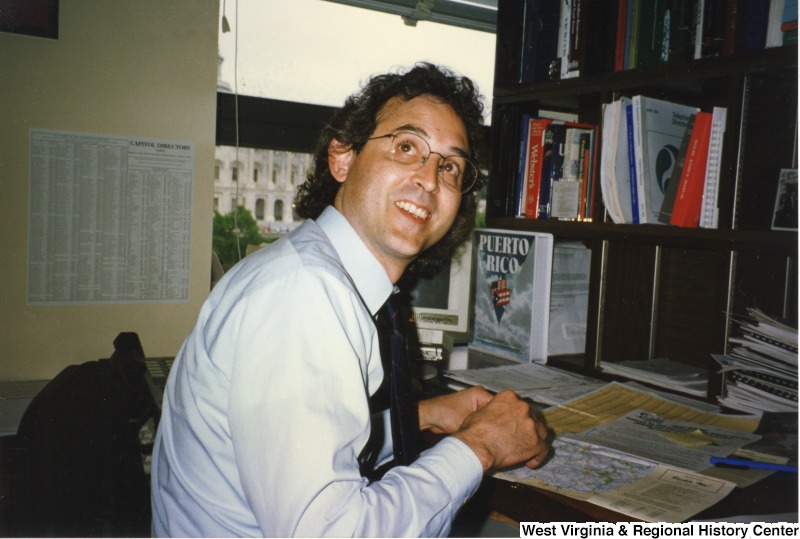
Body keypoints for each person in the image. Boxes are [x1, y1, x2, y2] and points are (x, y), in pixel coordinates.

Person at [151, 62, 550, 537]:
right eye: (407, 147)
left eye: (450, 166)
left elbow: (309, 439)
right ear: (342, 158)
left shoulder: (309, 270)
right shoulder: (303, 295)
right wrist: (480, 446)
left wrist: (423, 416)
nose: (429, 179)